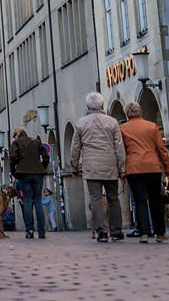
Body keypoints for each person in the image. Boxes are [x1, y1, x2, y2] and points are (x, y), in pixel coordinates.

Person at [68, 91, 127, 242]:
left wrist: (74, 167)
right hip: (110, 165)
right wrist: (122, 168)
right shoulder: (112, 122)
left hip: (91, 167)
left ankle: (101, 231)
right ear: (101, 104)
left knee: (96, 199)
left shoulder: (81, 123)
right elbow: (119, 147)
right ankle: (116, 231)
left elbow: (75, 148)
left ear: (87, 105)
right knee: (113, 198)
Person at [120, 104, 169, 243]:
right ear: (140, 111)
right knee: (155, 200)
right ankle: (160, 232)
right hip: (152, 167)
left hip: (134, 167)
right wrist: (168, 168)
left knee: (140, 200)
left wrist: (121, 170)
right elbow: (161, 149)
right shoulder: (152, 126)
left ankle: (144, 233)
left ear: (127, 114)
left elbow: (121, 151)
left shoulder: (123, 129)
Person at [8, 127, 50, 240]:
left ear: (17, 134)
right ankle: (41, 231)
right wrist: (43, 167)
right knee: (38, 201)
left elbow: (12, 158)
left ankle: (29, 230)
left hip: (24, 173)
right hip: (38, 173)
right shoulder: (36, 142)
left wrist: (14, 172)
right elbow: (46, 156)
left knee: (27, 200)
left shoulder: (16, 143)